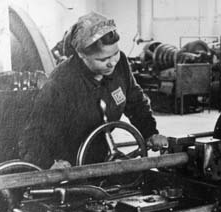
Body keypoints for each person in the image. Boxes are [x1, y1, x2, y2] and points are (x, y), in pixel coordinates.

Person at [18, 11, 168, 169]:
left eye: (115, 54)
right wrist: (48, 165)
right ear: (82, 55)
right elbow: (33, 135)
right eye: (102, 59)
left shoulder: (120, 64)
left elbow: (136, 102)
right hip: (69, 165)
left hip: (103, 156)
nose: (112, 63)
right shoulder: (61, 82)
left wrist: (150, 132)